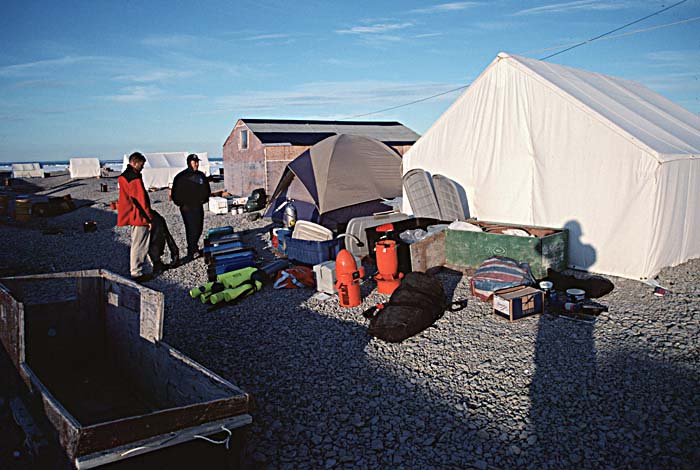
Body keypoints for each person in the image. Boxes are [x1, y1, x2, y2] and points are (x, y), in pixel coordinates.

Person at [118, 152, 155, 282]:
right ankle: (137, 272)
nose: (142, 167)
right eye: (141, 164)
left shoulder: (125, 176)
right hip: (139, 216)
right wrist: (148, 219)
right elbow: (140, 201)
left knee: (139, 242)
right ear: (134, 162)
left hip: (133, 214)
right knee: (139, 244)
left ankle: (146, 268)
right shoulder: (134, 178)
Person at [171, 154, 211, 261]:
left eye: (197, 162)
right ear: (189, 163)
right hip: (187, 208)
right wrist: (181, 203)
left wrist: (205, 198)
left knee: (199, 227)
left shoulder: (201, 176)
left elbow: (207, 189)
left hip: (198, 205)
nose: (196, 164)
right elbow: (174, 194)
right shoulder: (181, 177)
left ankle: (194, 247)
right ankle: (191, 250)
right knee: (190, 228)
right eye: (194, 162)